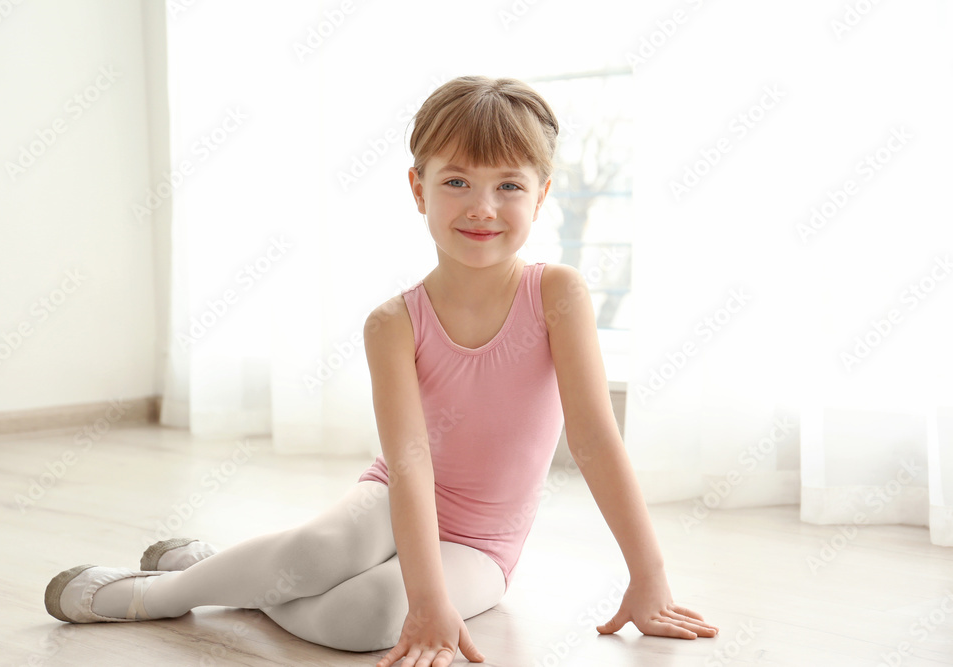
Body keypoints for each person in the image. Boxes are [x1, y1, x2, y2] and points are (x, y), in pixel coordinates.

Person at [44, 75, 718, 666]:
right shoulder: (393, 322)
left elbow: (597, 438)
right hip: (394, 497)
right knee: (314, 556)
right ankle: (164, 592)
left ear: (540, 196)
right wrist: (427, 595)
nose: (482, 206)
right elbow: (411, 462)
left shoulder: (558, 295)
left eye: (508, 185)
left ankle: (233, 580)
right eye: (456, 181)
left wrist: (647, 574)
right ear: (417, 188)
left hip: (482, 543)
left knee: (366, 618)